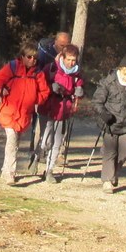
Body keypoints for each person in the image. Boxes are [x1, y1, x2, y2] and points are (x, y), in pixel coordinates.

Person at [0, 42, 50, 186]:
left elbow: (45, 92)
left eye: (35, 58)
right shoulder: (12, 67)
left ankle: (5, 170)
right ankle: (11, 173)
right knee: (11, 139)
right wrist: (0, 90)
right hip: (9, 111)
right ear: (22, 56)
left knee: (15, 142)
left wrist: (35, 99)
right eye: (29, 57)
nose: (32, 60)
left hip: (24, 114)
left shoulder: (38, 74)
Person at [92, 54, 126, 193]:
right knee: (110, 152)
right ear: (120, 70)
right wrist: (104, 115)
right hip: (110, 123)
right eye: (125, 74)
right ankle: (107, 180)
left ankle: (114, 173)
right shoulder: (108, 82)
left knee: (124, 153)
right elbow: (97, 102)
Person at [34, 43, 85, 183]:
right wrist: (51, 87)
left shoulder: (77, 74)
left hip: (63, 110)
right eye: (68, 59)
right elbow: (39, 84)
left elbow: (79, 88)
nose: (71, 63)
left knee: (57, 141)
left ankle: (49, 170)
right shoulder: (51, 68)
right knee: (46, 140)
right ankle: (37, 155)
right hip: (48, 108)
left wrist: (79, 92)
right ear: (62, 57)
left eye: (73, 60)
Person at [28, 30, 72, 157]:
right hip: (44, 92)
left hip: (62, 97)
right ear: (55, 42)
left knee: (59, 125)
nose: (64, 48)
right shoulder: (44, 54)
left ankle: (56, 152)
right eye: (62, 45)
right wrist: (47, 85)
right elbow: (38, 71)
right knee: (41, 123)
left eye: (67, 45)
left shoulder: (69, 55)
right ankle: (36, 149)